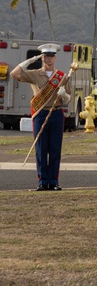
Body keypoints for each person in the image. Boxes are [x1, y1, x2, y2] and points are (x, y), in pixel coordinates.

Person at [11, 43, 73, 191]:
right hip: (40, 113)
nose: (49, 59)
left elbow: (69, 98)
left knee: (55, 148)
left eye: (51, 56)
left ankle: (54, 181)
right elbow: (14, 73)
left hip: (56, 113)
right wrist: (30, 60)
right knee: (41, 148)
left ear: (55, 58)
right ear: (42, 58)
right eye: (46, 56)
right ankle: (43, 181)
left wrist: (64, 95)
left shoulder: (63, 76)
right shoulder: (34, 74)